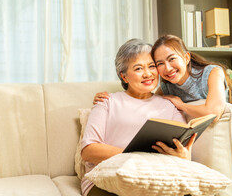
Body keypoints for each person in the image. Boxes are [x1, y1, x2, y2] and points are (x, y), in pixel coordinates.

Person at [95, 35, 232, 150]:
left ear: (186, 58)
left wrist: (182, 105)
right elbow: (146, 99)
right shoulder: (168, 85)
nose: (167, 68)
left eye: (171, 59)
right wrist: (108, 99)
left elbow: (214, 111)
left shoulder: (213, 72)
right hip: (227, 115)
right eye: (159, 63)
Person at [81, 38, 196, 196]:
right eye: (138, 68)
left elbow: (183, 150)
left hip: (154, 179)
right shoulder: (106, 102)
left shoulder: (170, 105)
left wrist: (184, 156)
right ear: (124, 76)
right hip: (105, 179)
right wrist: (137, 157)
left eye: (152, 66)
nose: (148, 74)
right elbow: (88, 150)